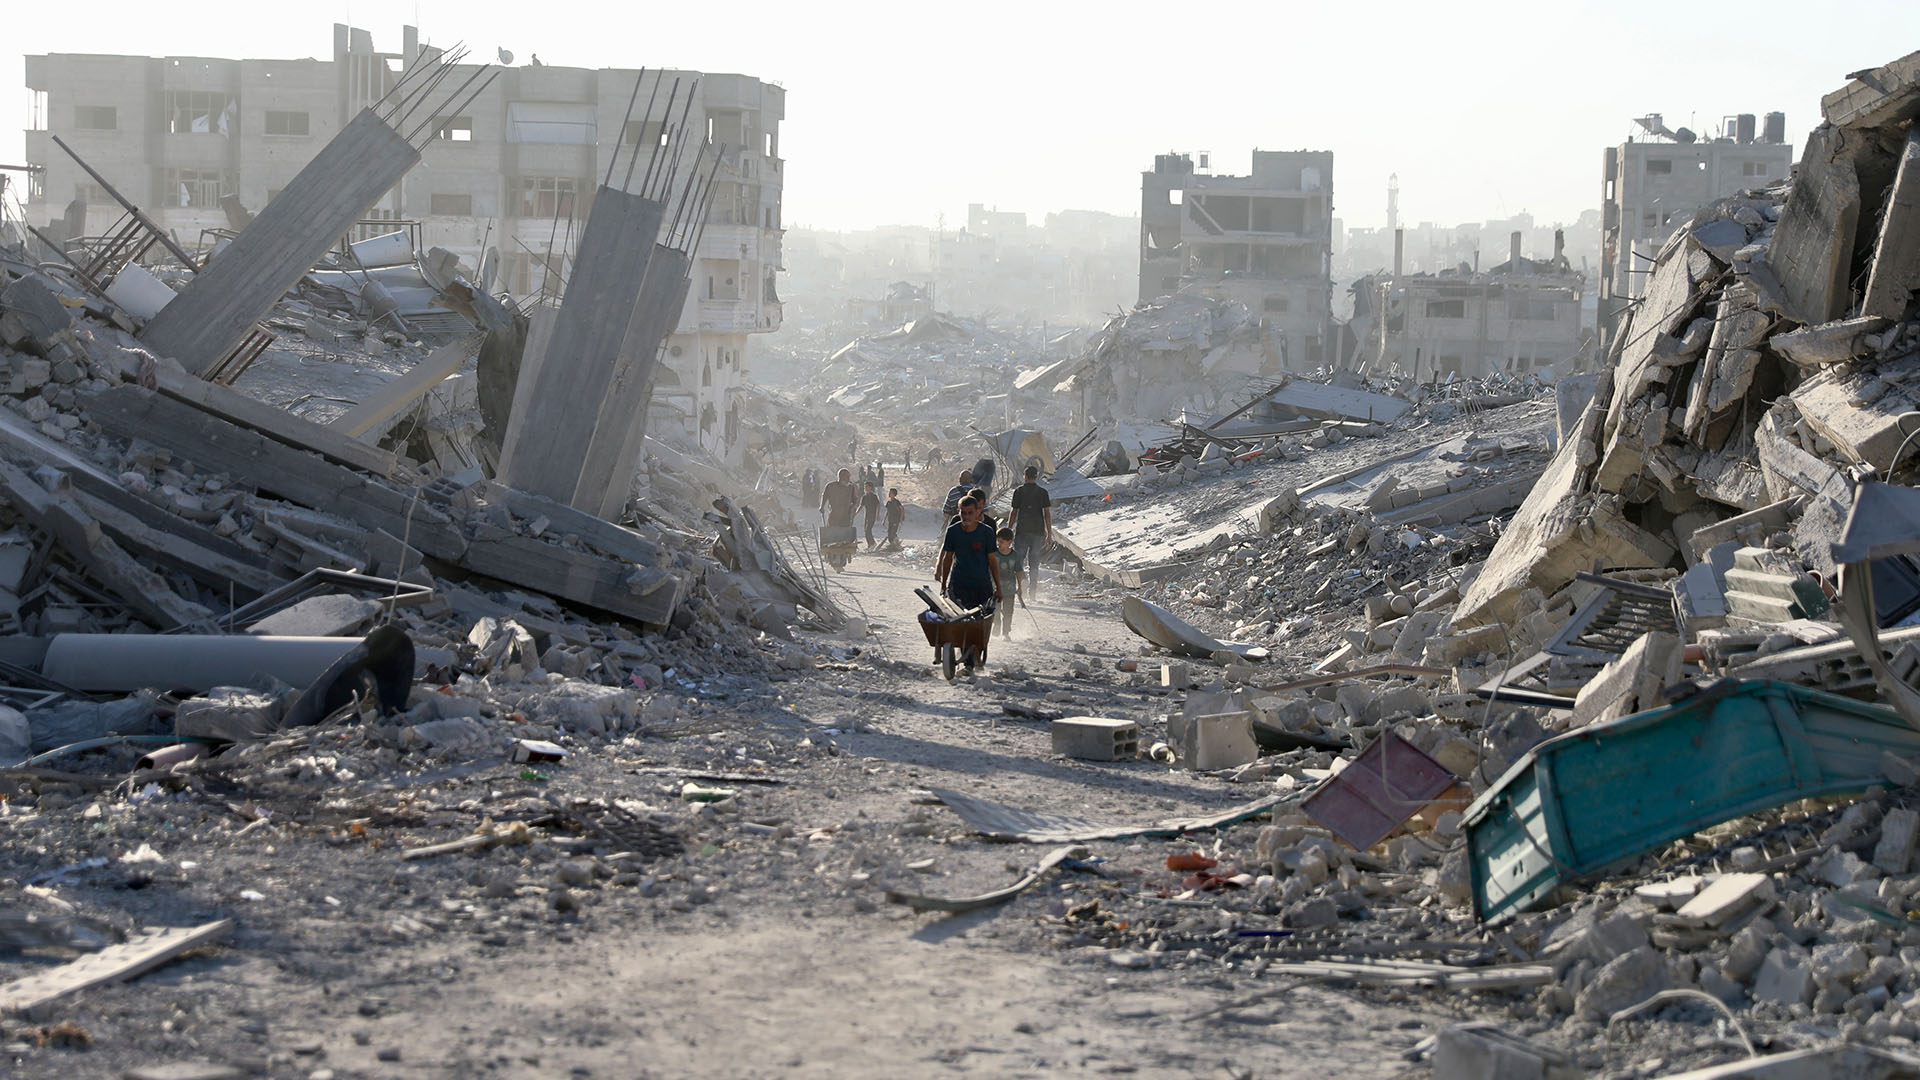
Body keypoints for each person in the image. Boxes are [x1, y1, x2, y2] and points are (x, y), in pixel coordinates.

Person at [936, 496, 1001, 620]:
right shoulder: (952, 531)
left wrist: (998, 587)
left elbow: (992, 561)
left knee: (979, 619)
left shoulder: (986, 532)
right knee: (959, 619)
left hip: (982, 585)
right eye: (963, 513)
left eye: (970, 513)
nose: (966, 517)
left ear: (977, 512)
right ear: (958, 512)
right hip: (959, 584)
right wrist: (944, 585)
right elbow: (948, 558)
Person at [1007, 465, 1053, 599]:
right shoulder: (1043, 492)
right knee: (1034, 563)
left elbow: (1014, 512)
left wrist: (1009, 530)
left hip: (1022, 531)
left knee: (1018, 560)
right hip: (1038, 532)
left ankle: (1022, 583)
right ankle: (1032, 594)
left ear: (1025, 476)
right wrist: (1049, 534)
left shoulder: (1019, 491)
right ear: (1036, 477)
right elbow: (1047, 515)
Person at [991, 527, 1022, 639]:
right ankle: (997, 624)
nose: (999, 544)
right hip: (995, 589)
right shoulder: (994, 554)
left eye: (1001, 542)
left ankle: (1006, 632)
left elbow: (1018, 571)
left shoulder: (1015, 556)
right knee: (995, 610)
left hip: (1009, 590)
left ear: (1009, 542)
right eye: (998, 541)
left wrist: (1020, 587)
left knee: (1008, 612)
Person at [860, 481, 882, 549]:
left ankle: (872, 543)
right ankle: (870, 545)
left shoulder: (874, 496)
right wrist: (856, 513)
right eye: (865, 487)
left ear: (870, 487)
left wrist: (878, 515)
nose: (865, 488)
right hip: (866, 516)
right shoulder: (864, 497)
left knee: (868, 530)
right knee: (866, 530)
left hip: (872, 516)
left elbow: (878, 505)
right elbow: (861, 506)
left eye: (866, 486)